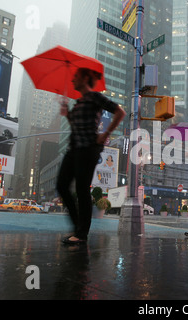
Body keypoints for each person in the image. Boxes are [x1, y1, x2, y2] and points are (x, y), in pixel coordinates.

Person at [57, 68, 126, 244]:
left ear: (85, 78)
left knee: (81, 189)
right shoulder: (79, 102)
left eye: (76, 77)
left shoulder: (95, 97)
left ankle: (81, 233)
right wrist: (67, 115)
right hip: (74, 149)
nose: (72, 80)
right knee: (62, 186)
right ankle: (77, 227)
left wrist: (106, 133)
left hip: (88, 149)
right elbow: (76, 127)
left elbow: (120, 112)